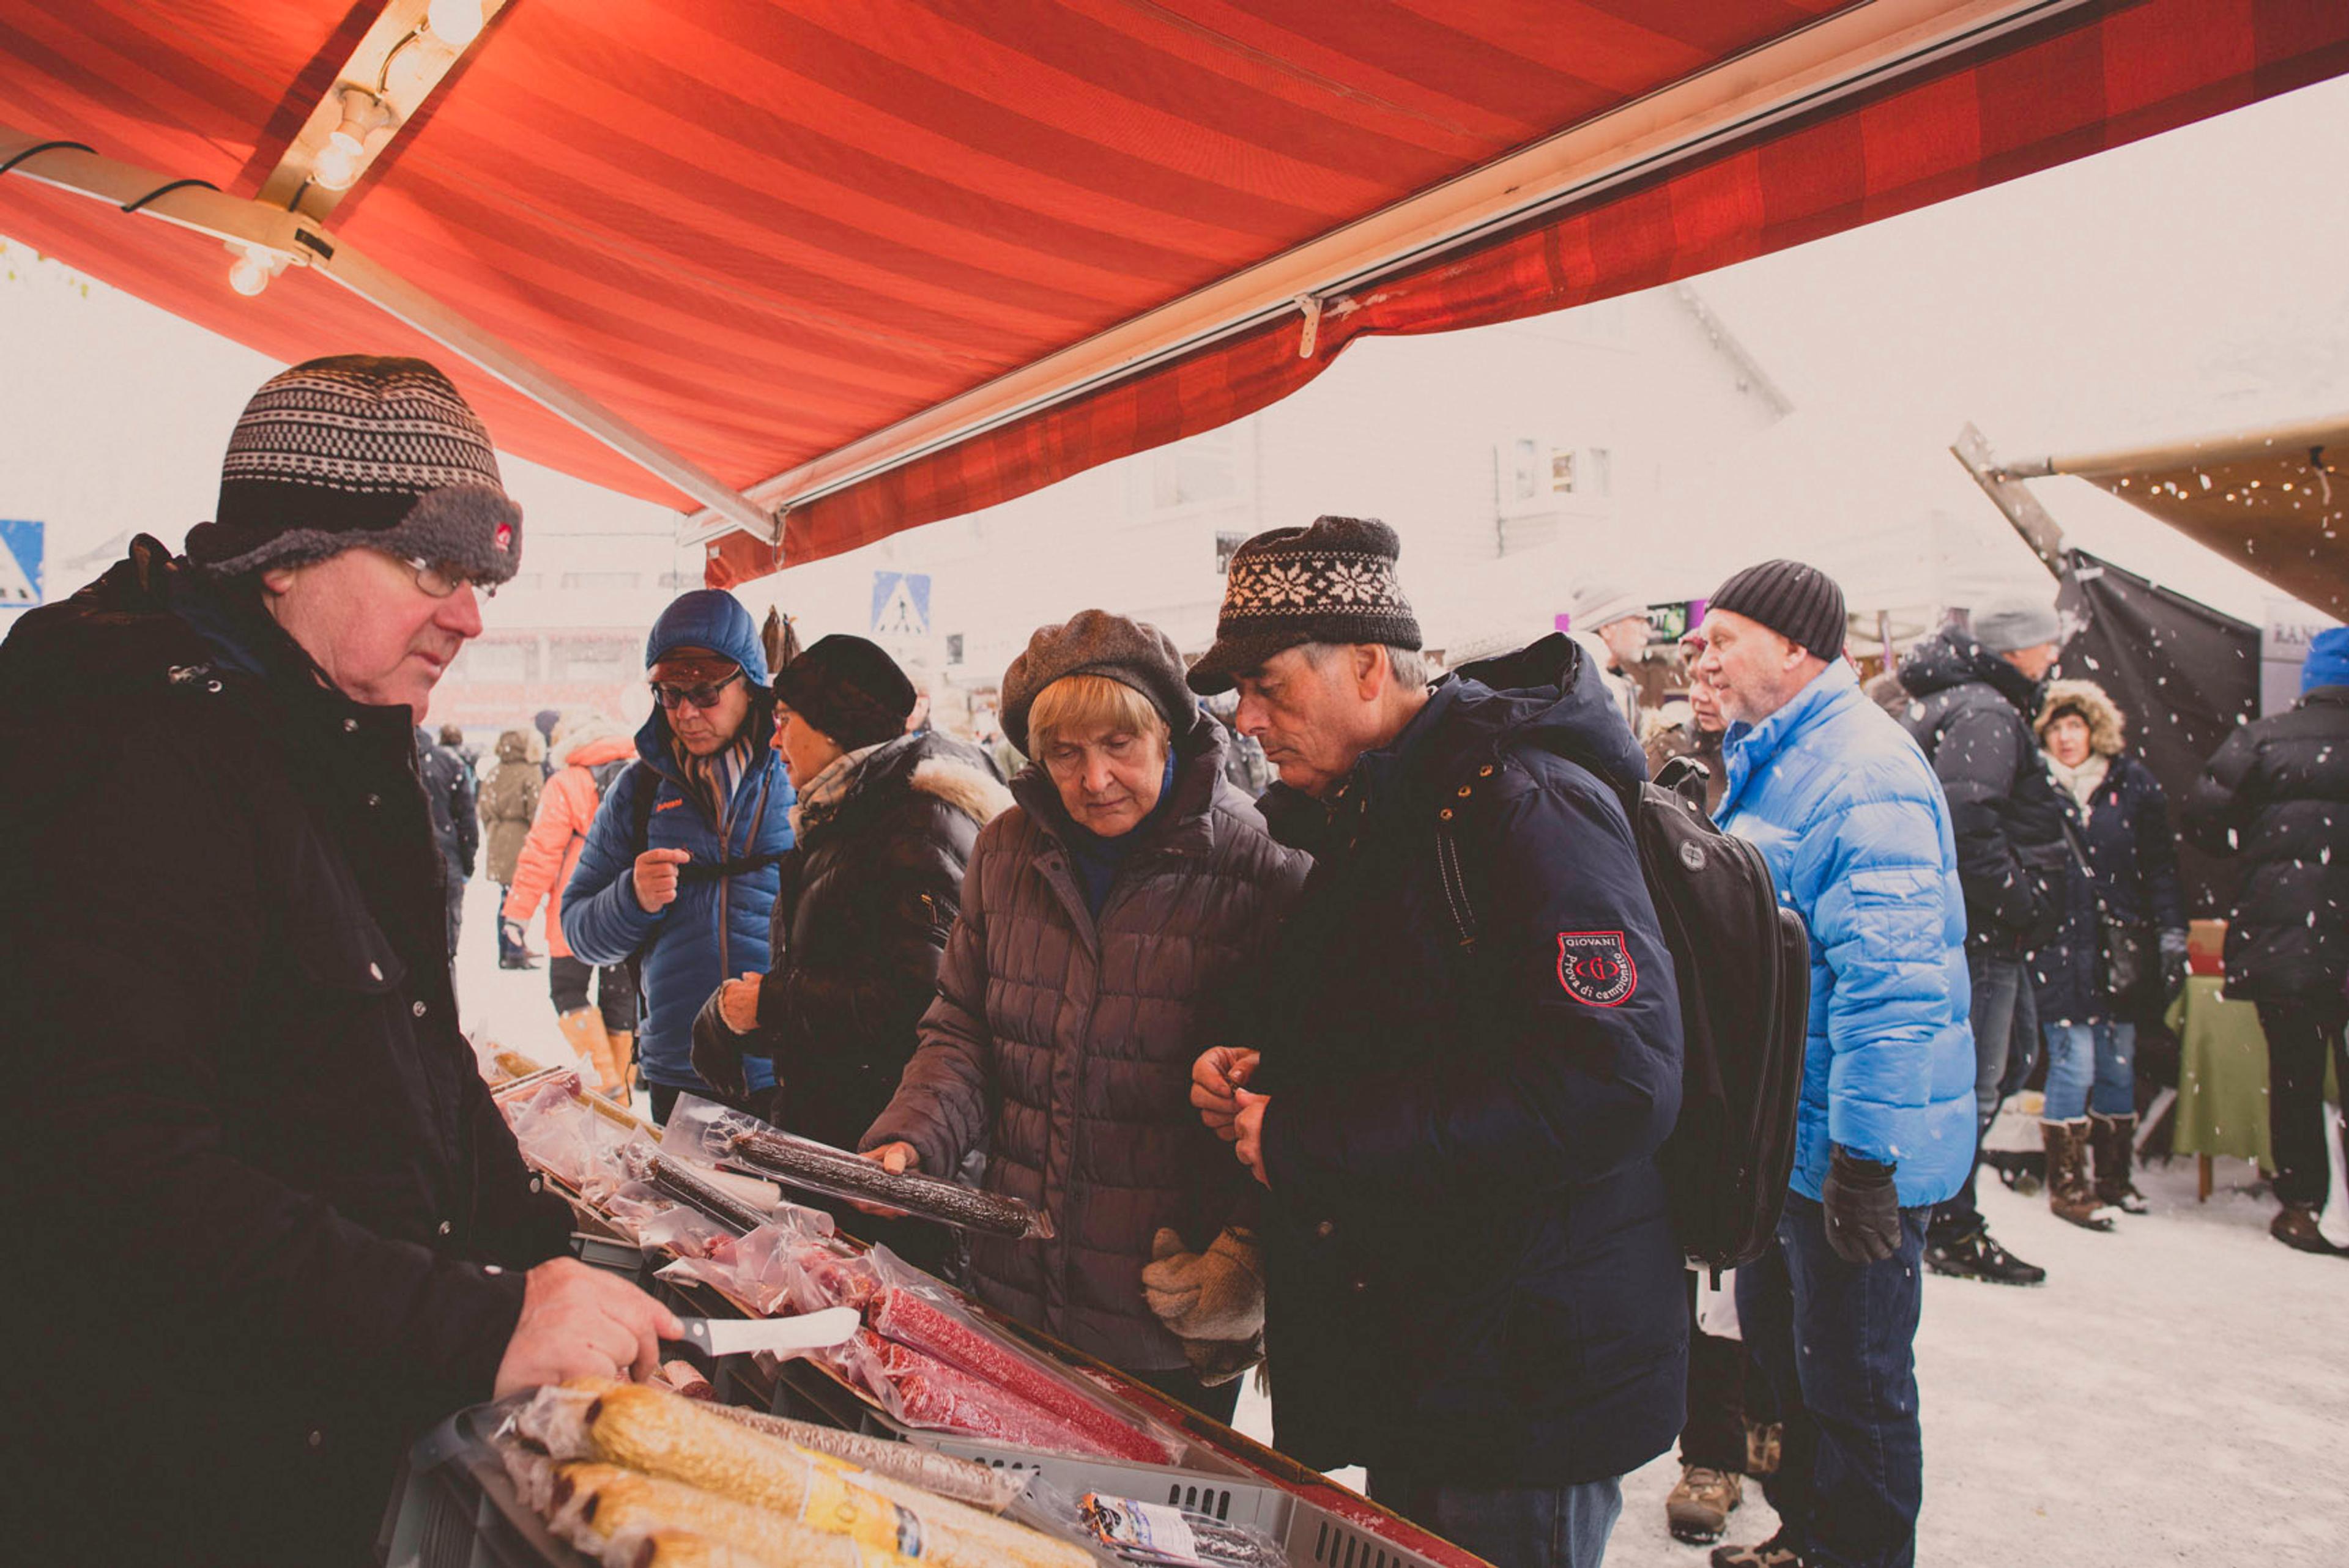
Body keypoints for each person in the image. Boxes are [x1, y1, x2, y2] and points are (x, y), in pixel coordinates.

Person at [0, 355, 680, 1566]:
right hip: (167, 1485)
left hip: (325, 1445)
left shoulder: (343, 750)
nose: (471, 615)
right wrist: (476, 1322)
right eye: (434, 567)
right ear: (288, 555)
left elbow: (418, 1061)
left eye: (482, 578)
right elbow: (110, 1168)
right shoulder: (136, 756)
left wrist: (555, 1270)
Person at [1187, 517, 1685, 1568]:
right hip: (1442, 1350)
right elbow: (1423, 1024)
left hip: (1524, 1377)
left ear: (1368, 666)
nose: (1247, 716)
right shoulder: (1389, 809)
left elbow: (1613, 1081)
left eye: (1269, 685)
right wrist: (1265, 1081)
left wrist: (1308, 1138)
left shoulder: (1524, 803)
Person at [861, 611, 1307, 1419]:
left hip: (1172, 1305)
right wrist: (914, 1136)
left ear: (1168, 735)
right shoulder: (1005, 852)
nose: (1093, 779)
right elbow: (963, 1025)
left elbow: (1301, 1076)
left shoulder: (1262, 863)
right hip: (1015, 1284)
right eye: (1065, 754)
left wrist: (1250, 1255)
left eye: (1118, 747)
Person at [1688, 560, 1975, 1568]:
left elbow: (1893, 988)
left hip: (1851, 1146)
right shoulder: (1776, 754)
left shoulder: (1863, 772)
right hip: (1787, 1139)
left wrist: (1867, 1157)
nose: (1702, 654)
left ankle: (1858, 1550)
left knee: (1855, 1383)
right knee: (1789, 1367)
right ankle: (1806, 1534)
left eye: (1725, 636)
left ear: (1797, 648)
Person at [692, 634, 1012, 1276]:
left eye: (787, 724)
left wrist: (775, 1002)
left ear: (834, 730)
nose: (776, 743)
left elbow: (924, 998)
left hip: (888, 1163)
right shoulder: (851, 811)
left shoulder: (914, 820)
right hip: (843, 1147)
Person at [563, 591, 792, 1122]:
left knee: (791, 1209)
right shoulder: (636, 791)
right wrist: (632, 898)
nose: (686, 712)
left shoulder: (796, 775)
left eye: (705, 692)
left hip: (786, 1066)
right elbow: (578, 930)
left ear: (749, 686)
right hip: (680, 1071)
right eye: (669, 694)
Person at [1898, 590, 2071, 1287]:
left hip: (1979, 926)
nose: (2055, 656)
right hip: (1982, 930)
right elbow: (1968, 815)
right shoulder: (1987, 710)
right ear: (2016, 647)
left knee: (2003, 1062)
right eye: (2047, 642)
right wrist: (2018, 901)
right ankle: (1950, 1223)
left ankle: (1945, 1214)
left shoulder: (1961, 701)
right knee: (1975, 1082)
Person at [2183, 625, 2349, 1254]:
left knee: (2296, 1076)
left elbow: (2201, 819)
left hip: (2287, 939)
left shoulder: (2264, 737)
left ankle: (2303, 1202)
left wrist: (2256, 849)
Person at [2030, 680, 2187, 1228]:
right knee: (2074, 1062)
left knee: (2119, 1063)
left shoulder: (2132, 784)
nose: (2067, 737)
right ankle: (2068, 1186)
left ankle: (2115, 1178)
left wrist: (2171, 931)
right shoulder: (2034, 786)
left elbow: (2161, 867)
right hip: (2058, 947)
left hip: (2118, 950)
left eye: (2076, 725)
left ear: (2095, 728)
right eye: (2057, 726)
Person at [505, 713, 643, 1100]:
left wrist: (519, 910)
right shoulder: (639, 773)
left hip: (577, 896)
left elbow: (542, 852)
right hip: (626, 895)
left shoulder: (566, 782)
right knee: (621, 995)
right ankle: (624, 1092)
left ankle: (605, 1080)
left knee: (567, 989)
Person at [480, 725, 546, 968]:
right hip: (522, 839)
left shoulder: (495, 771)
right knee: (518, 897)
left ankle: (506, 950)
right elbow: (536, 810)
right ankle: (515, 950)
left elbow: (484, 807)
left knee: (505, 896)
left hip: (498, 837)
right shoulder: (530, 771)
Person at [418, 719, 479, 957]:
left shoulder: (381, 758)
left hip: (397, 865)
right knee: (445, 949)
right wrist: (466, 866)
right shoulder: (450, 764)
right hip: (444, 860)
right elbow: (467, 821)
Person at [1569, 579, 1649, 730]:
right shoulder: (1588, 689)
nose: (1647, 632)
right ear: (1607, 628)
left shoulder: (1608, 680)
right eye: (1639, 621)